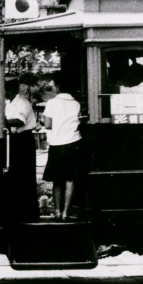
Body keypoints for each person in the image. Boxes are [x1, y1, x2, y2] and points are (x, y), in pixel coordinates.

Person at [42, 72, 82, 221]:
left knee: (57, 179)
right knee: (70, 179)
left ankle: (57, 212)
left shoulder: (51, 103)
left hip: (57, 144)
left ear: (58, 87)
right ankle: (66, 212)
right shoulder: (76, 103)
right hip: (73, 142)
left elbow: (47, 124)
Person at [4, 78, 39, 222]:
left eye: (6, 90)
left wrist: (1, 120)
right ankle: (16, 212)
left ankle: (29, 213)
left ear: (12, 90)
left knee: (26, 175)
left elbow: (20, 121)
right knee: (13, 175)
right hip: (12, 139)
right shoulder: (8, 104)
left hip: (24, 139)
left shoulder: (23, 103)